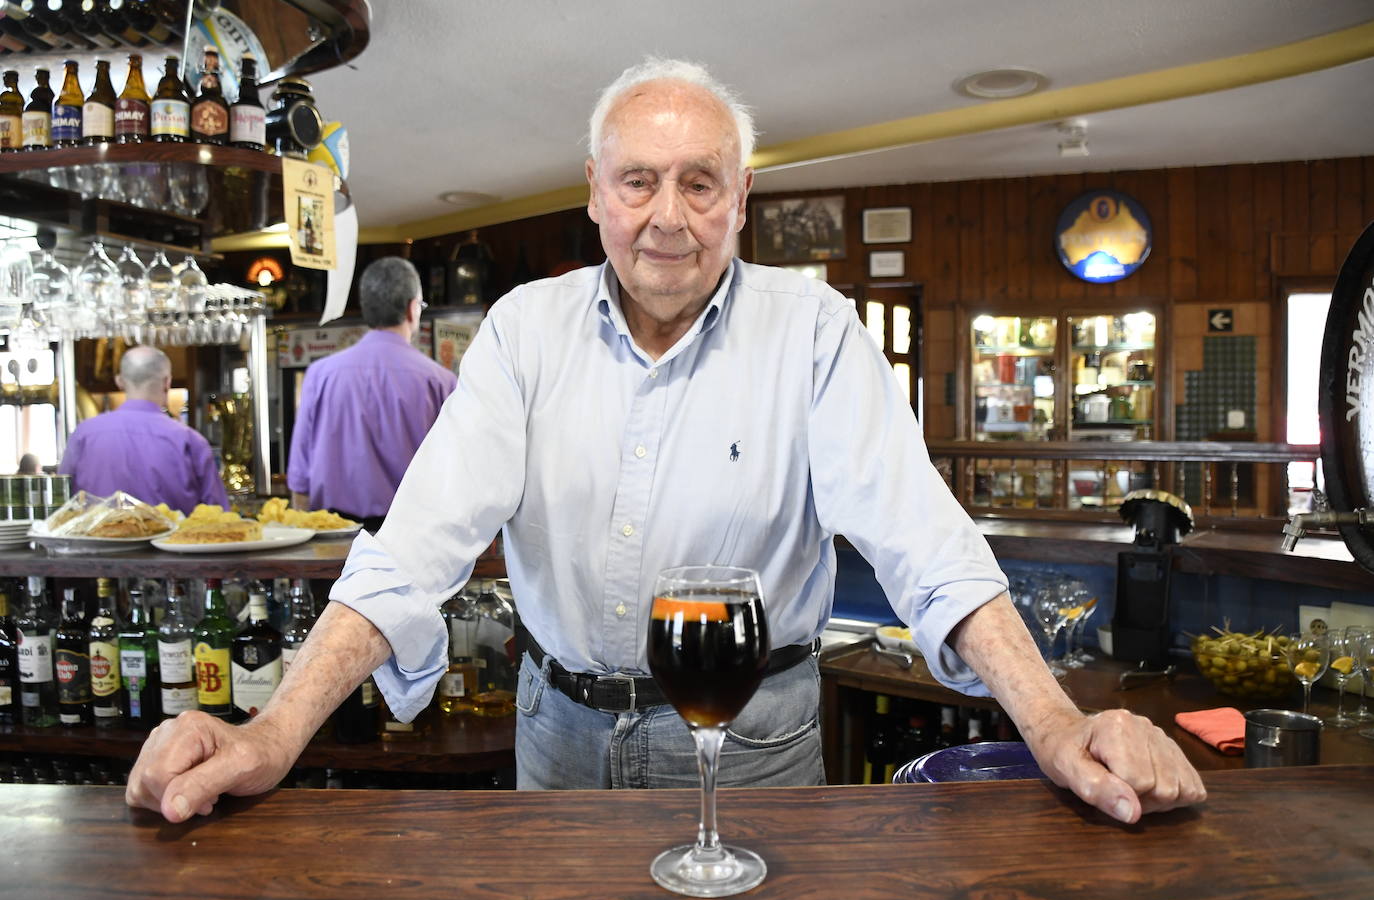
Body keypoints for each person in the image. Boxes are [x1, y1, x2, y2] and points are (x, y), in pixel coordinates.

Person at [127, 58, 1205, 824]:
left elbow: (927, 545)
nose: (668, 214)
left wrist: (1058, 728)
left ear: (742, 197)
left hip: (759, 742)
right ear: (596, 194)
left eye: (700, 181)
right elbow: (414, 552)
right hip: (557, 736)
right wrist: (270, 735)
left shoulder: (816, 329)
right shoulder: (522, 332)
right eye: (638, 179)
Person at [286, 256, 457, 530]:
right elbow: (456, 474)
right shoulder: (441, 382)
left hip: (332, 537)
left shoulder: (320, 374)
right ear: (413, 309)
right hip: (411, 538)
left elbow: (299, 478)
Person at [58, 346, 228, 514]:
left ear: (120, 381)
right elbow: (219, 517)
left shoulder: (84, 434)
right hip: (171, 540)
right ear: (167, 382)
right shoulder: (190, 440)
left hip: (96, 539)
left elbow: (63, 501)